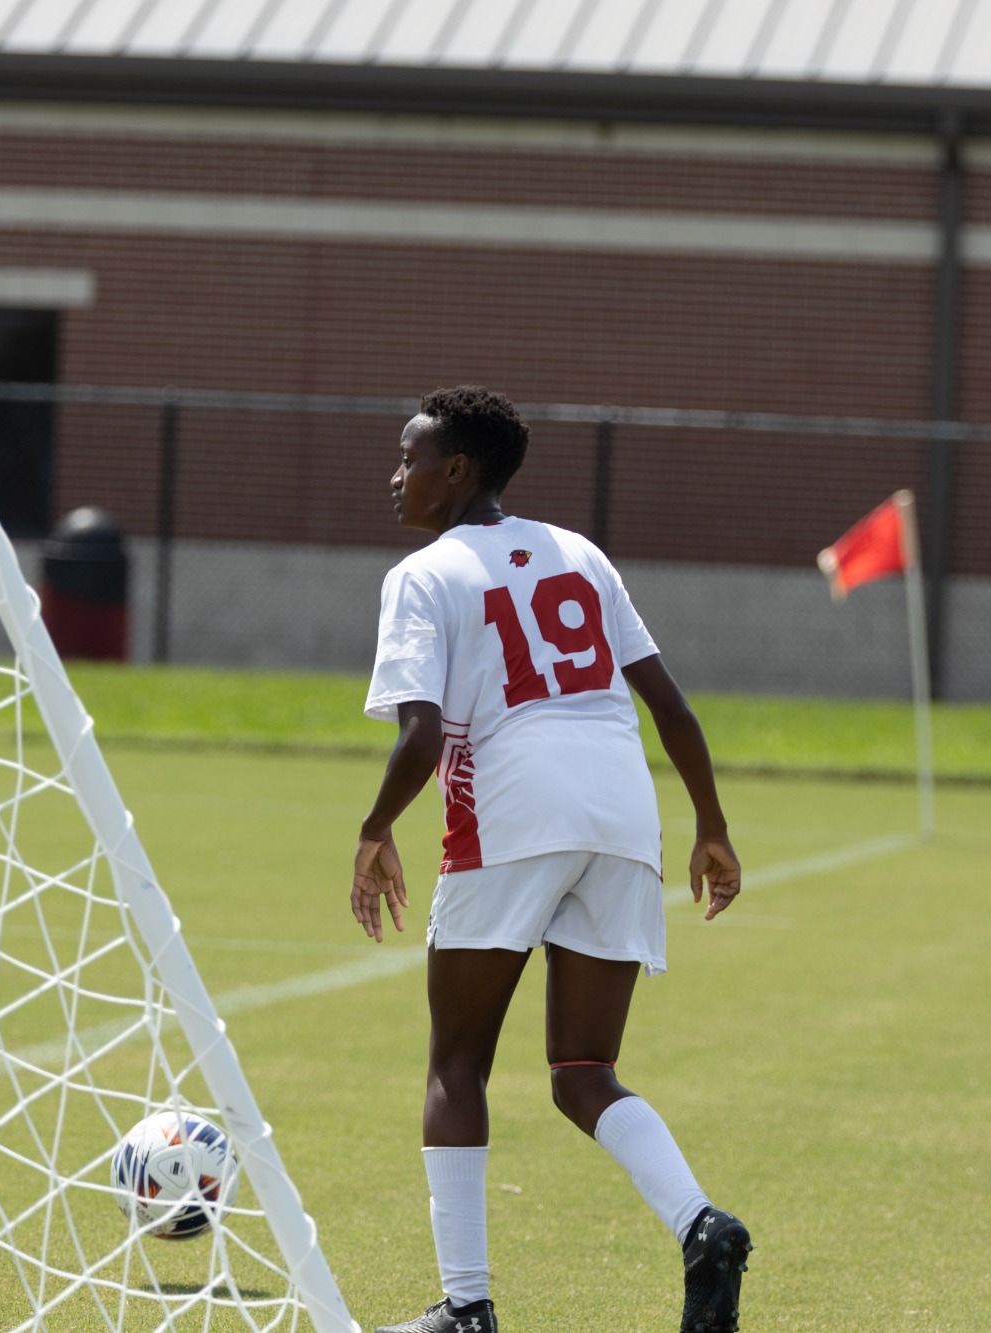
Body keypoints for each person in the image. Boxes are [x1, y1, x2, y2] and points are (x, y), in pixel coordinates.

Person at [353, 386, 752, 1333]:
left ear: (458, 470)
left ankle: (467, 1307)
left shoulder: (425, 572)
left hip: (511, 812)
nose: (395, 476)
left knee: (457, 1060)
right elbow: (672, 707)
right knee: (583, 1067)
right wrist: (711, 825)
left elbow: (418, 737)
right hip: (621, 815)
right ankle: (703, 1225)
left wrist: (375, 831)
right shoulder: (580, 552)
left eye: (409, 458)